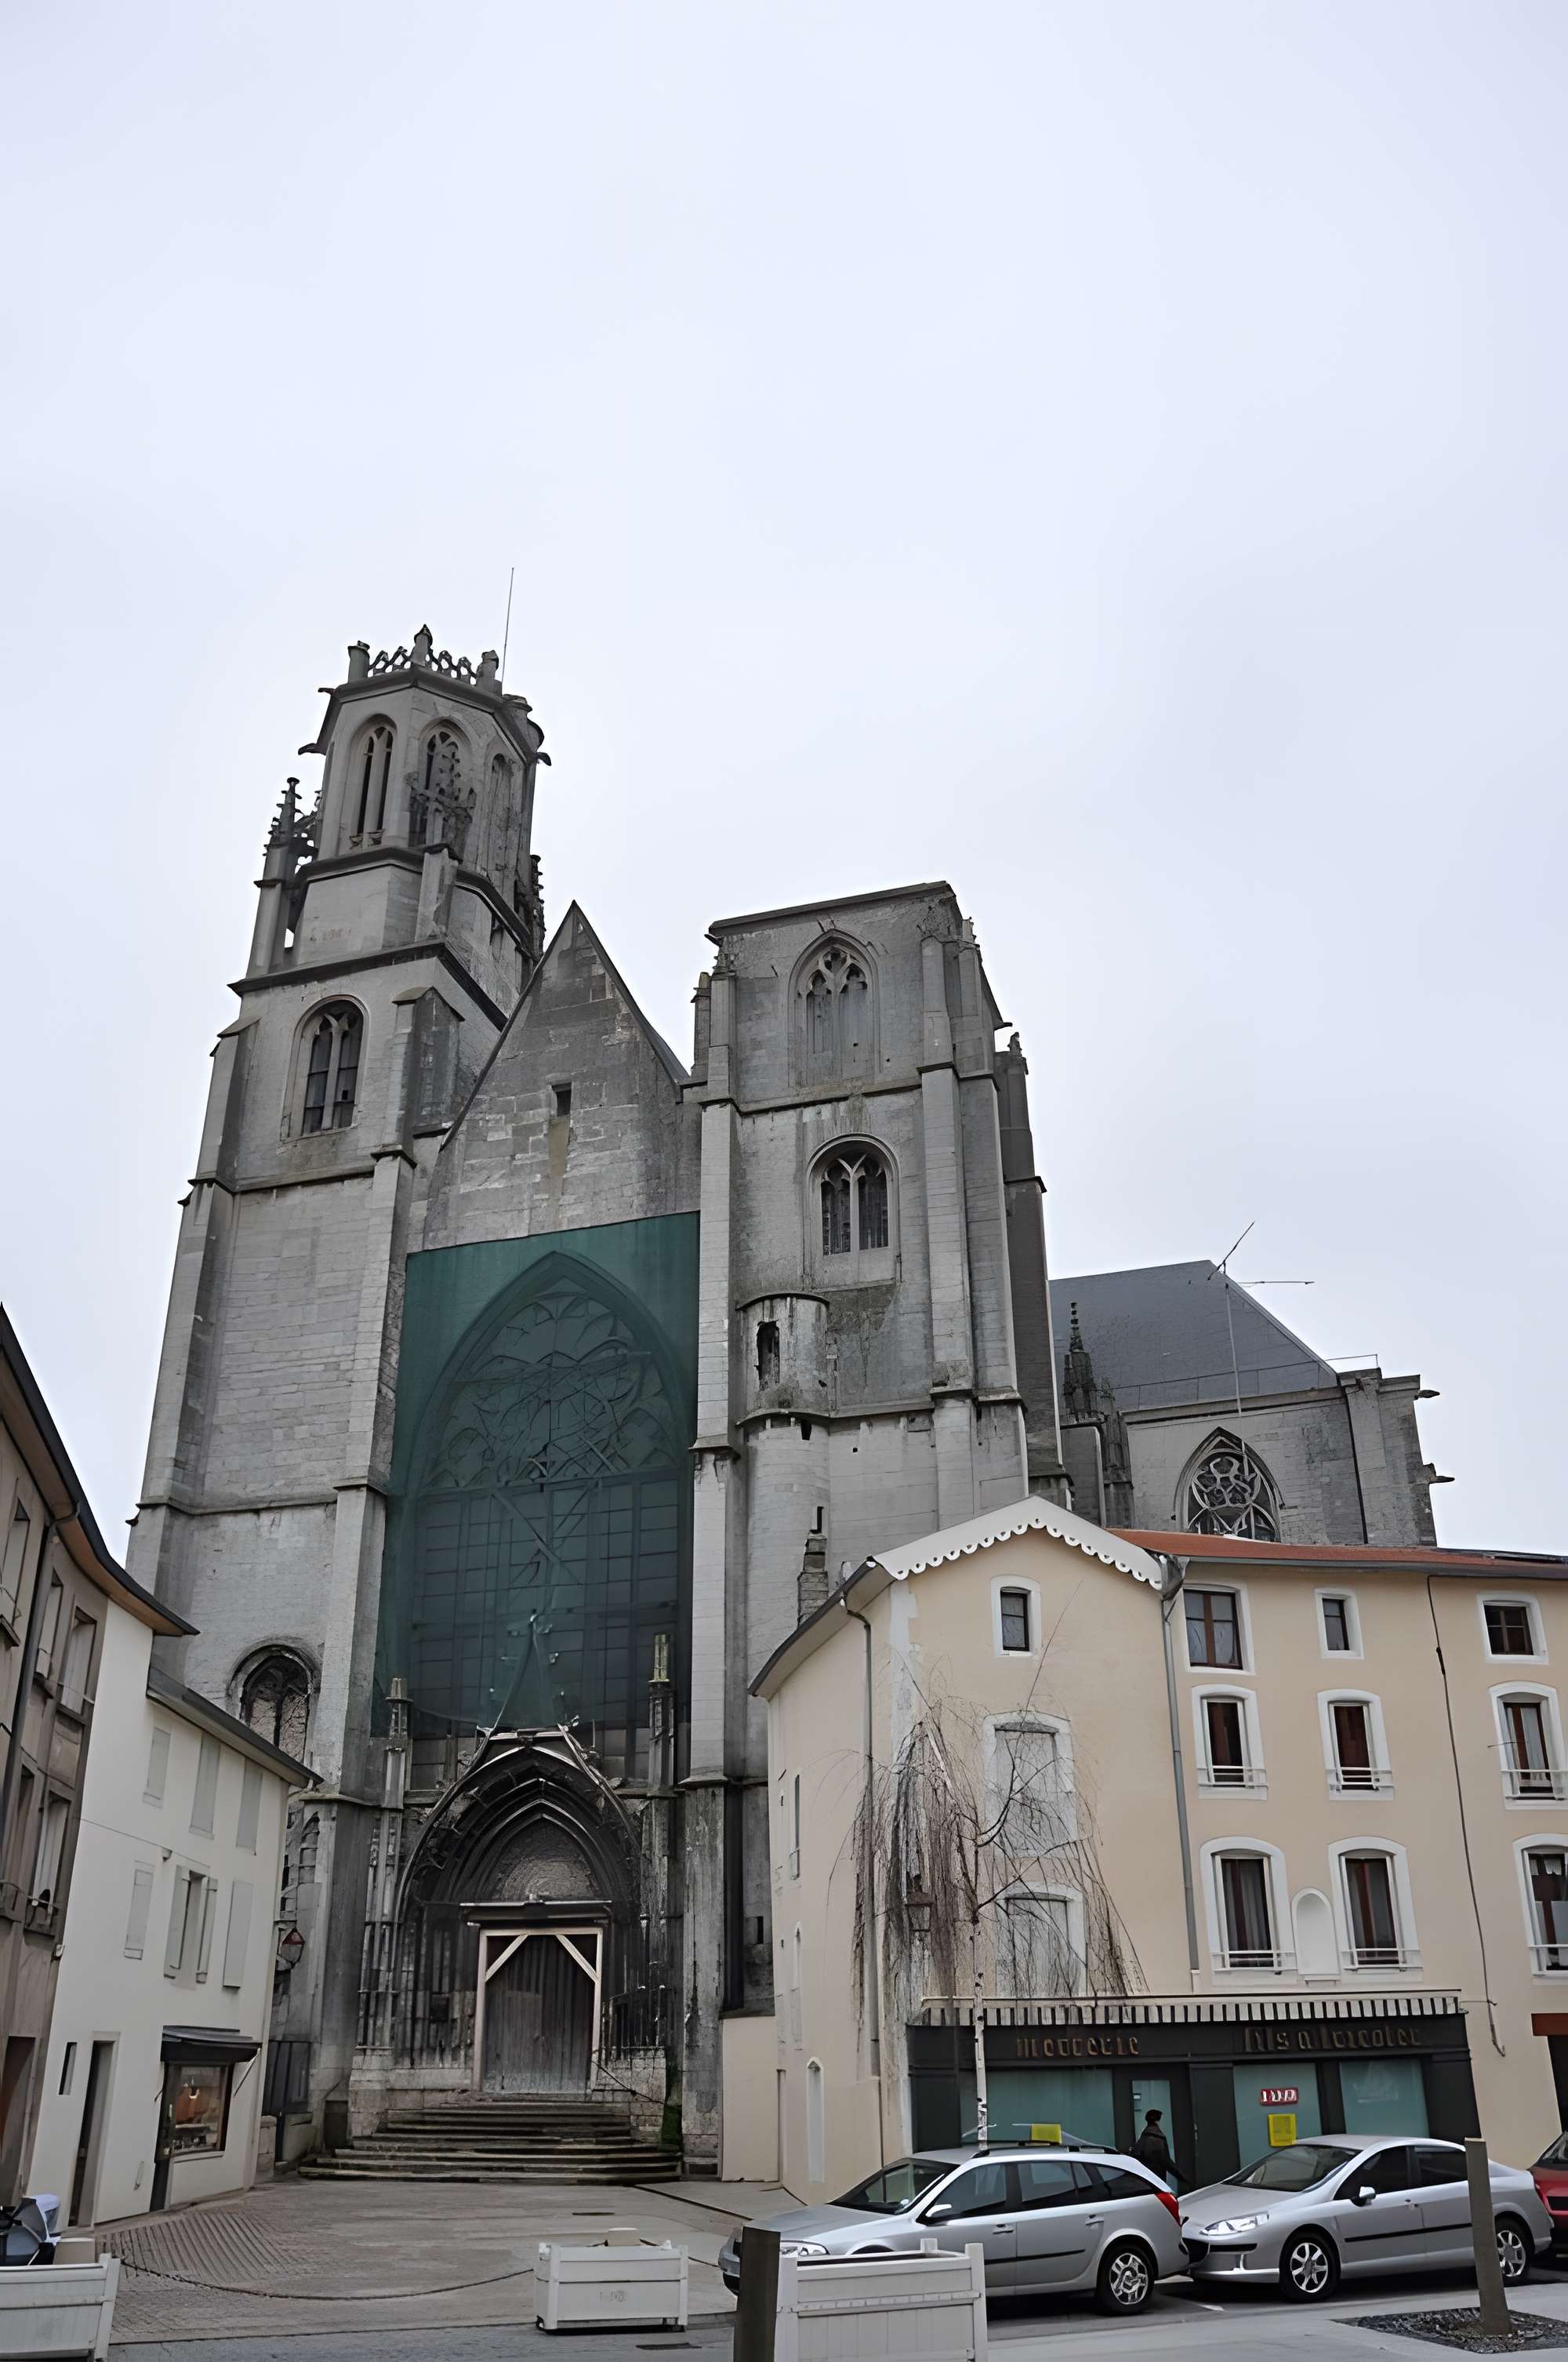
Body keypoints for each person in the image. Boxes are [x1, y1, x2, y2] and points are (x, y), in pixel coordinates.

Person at [1132, 2108, 1174, 2182]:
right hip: (1157, 2179)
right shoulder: (1158, 2139)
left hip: (1146, 2178)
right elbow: (1167, 2162)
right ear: (1157, 2121)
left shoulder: (1143, 2138)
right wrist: (1183, 2178)